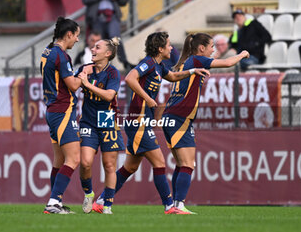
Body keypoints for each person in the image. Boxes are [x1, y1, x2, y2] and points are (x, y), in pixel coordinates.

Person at [92, 31, 210, 214]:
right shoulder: (148, 63)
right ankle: (169, 206)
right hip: (137, 121)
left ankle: (101, 201)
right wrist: (147, 98)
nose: (171, 48)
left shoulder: (159, 66)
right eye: (169, 45)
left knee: (130, 167)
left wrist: (193, 71)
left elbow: (172, 77)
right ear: (160, 48)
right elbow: (130, 78)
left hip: (141, 121)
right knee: (159, 162)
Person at [162, 33, 249, 213]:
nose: (213, 50)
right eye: (211, 46)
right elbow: (226, 63)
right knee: (188, 164)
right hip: (180, 117)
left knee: (181, 163)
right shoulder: (197, 61)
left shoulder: (185, 62)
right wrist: (241, 55)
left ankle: (174, 206)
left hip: (171, 116)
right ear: (201, 49)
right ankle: (178, 205)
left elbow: (213, 59)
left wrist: (213, 56)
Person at [40, 17, 89, 214]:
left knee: (59, 161)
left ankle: (56, 201)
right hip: (63, 111)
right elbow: (73, 85)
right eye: (76, 36)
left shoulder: (47, 50)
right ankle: (53, 202)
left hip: (52, 111)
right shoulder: (61, 55)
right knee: (74, 159)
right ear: (68, 34)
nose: (77, 40)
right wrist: (82, 75)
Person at [77, 37, 125, 215]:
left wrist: (87, 84)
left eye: (97, 47)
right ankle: (89, 194)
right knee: (85, 162)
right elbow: (74, 84)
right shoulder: (85, 69)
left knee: (109, 165)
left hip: (107, 118)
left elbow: (109, 96)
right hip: (88, 119)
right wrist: (81, 74)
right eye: (93, 46)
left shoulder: (113, 73)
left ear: (108, 53)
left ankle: (107, 206)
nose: (93, 49)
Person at [82, 0, 134, 70]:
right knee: (97, 41)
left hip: (113, 16)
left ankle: (124, 62)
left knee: (115, 38)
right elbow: (85, 1)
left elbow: (124, 2)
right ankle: (96, 66)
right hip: (96, 17)